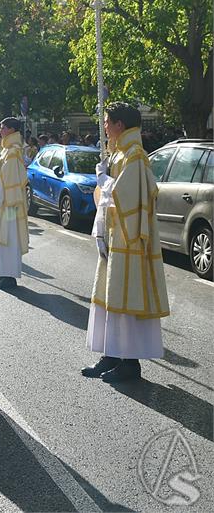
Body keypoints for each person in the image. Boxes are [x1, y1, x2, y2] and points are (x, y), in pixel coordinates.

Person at [82, 102, 170, 383]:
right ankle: (111, 353)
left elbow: (127, 197)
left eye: (107, 121)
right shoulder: (119, 154)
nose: (105, 125)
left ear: (120, 125)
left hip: (129, 241)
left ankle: (129, 363)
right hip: (115, 235)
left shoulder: (135, 155)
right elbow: (108, 198)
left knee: (124, 298)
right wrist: (106, 177)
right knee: (110, 297)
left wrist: (105, 181)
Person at [0, 118, 29, 290]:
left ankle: (9, 277)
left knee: (9, 238)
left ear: (11, 130)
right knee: (2, 238)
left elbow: (4, 181)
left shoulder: (13, 151)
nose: (0, 130)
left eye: (3, 128)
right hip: (6, 203)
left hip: (11, 205)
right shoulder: (6, 150)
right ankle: (3, 273)